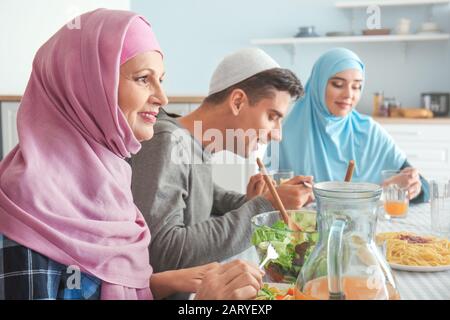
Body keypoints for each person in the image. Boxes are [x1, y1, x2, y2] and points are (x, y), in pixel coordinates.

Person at [0, 9, 262, 300]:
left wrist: (160, 283)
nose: (162, 98)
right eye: (142, 79)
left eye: (161, 79)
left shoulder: (113, 176)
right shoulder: (25, 204)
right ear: (87, 85)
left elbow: (97, 287)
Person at [130, 47, 314, 280]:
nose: (277, 135)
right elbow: (162, 251)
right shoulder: (168, 143)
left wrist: (263, 200)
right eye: (272, 117)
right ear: (237, 101)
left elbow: (209, 196)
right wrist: (264, 206)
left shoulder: (192, 144)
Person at [264, 48, 429, 203]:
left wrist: (415, 186)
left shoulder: (369, 131)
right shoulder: (282, 133)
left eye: (356, 86)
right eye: (337, 84)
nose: (349, 95)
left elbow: (421, 185)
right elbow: (264, 195)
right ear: (318, 85)